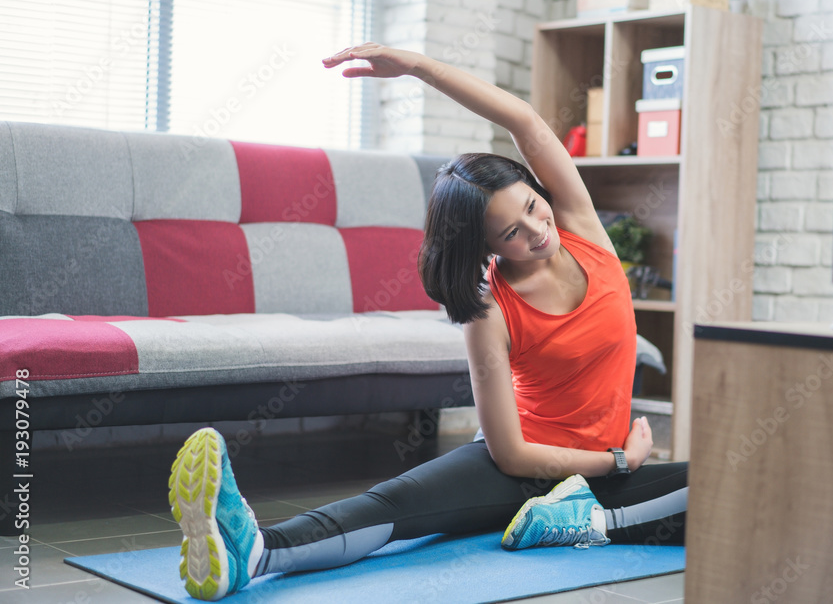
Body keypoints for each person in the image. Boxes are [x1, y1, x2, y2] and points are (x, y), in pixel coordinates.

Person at [167, 43, 689, 601]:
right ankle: (254, 551)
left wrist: (417, 68)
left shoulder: (583, 228)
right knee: (395, 505)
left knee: (718, 488)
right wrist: (616, 460)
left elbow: (522, 119)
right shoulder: (489, 306)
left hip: (595, 486)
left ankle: (578, 522)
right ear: (486, 245)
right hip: (529, 469)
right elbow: (511, 453)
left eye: (533, 207)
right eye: (511, 232)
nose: (536, 230)